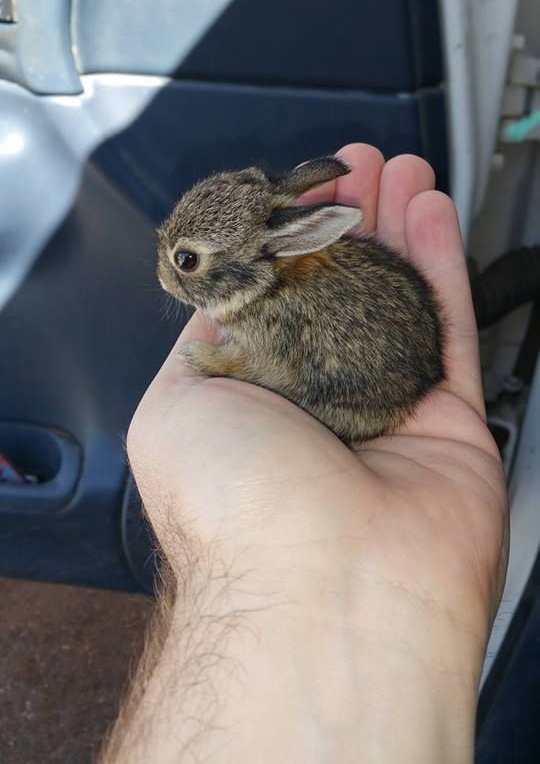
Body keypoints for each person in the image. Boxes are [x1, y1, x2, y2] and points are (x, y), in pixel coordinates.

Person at [101, 144, 508, 764]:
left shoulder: (270, 309)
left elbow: (267, 363)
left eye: (185, 262)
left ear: (273, 252)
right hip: (401, 370)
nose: (167, 274)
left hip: (360, 405)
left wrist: (223, 365)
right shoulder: (286, 277)